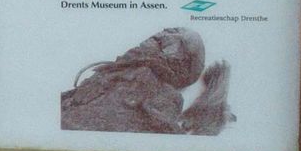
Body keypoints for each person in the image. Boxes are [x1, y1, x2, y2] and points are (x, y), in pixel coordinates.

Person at [60, 26, 234, 135]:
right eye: (167, 30)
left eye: (173, 34)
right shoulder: (108, 72)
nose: (164, 32)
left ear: (181, 61)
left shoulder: (165, 93)